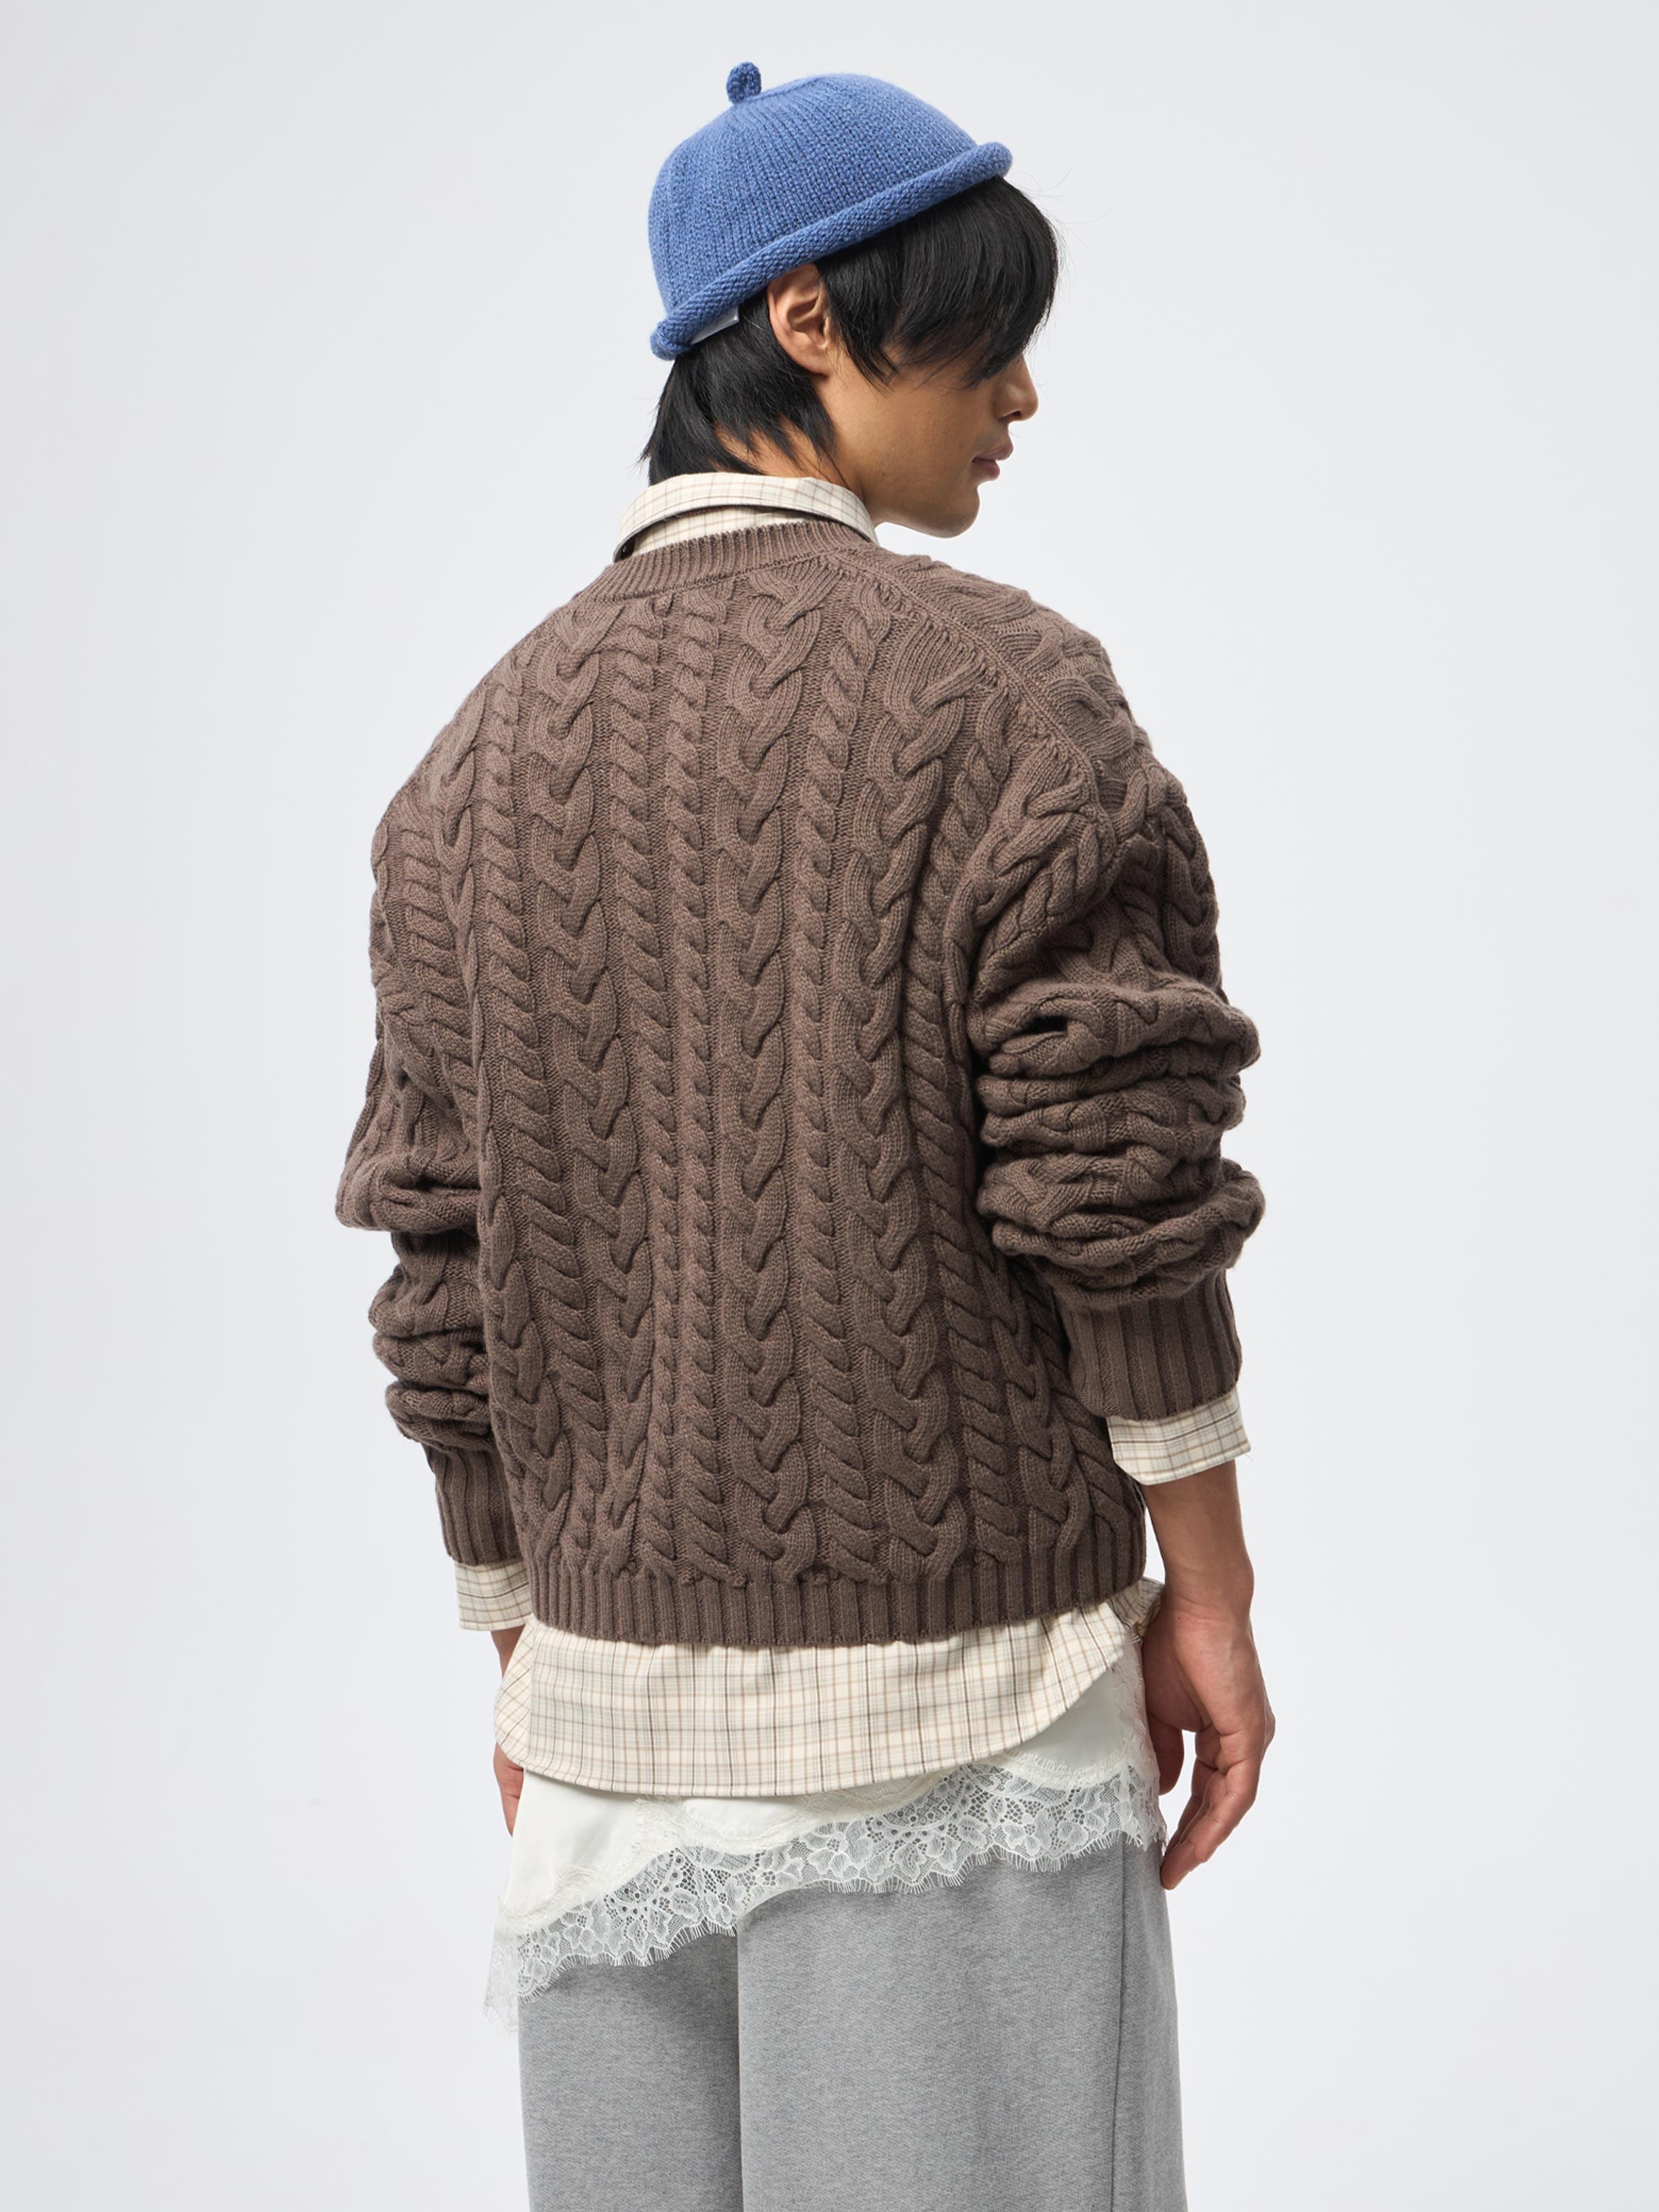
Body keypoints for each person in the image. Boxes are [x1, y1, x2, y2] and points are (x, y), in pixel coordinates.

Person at [336, 60, 1274, 2212]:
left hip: (603, 1762)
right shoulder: (1003, 696)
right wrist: (1210, 1596)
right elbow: (1116, 1187)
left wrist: (528, 1649)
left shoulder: (469, 763)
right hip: (962, 1713)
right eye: (983, 332)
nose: (1020, 394)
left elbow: (440, 1267)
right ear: (806, 320)